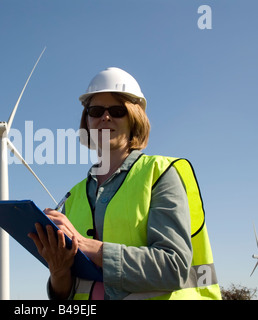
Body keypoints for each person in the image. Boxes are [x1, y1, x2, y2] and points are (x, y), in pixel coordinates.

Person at [28, 67, 221, 300]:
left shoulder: (160, 174)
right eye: (96, 110)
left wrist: (86, 245)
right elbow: (70, 292)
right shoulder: (74, 196)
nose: (105, 117)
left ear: (134, 118)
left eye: (117, 110)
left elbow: (174, 268)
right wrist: (58, 271)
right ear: (87, 120)